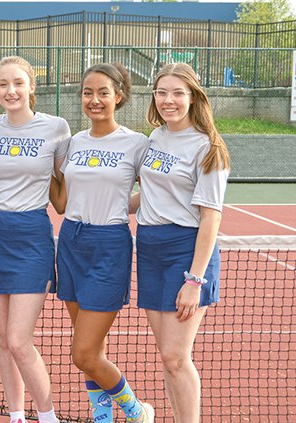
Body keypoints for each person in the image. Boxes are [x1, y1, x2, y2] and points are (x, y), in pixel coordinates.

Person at [50, 63, 154, 423]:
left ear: (119, 96)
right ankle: (102, 416)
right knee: (93, 346)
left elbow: (153, 187)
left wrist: (125, 205)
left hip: (109, 244)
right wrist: (42, 168)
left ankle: (136, 410)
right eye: (88, 93)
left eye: (103, 93)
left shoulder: (136, 143)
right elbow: (62, 203)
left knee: (83, 353)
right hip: (71, 241)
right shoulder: (72, 143)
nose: (94, 100)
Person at [0, 56, 70, 423]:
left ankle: (48, 417)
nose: (10, 91)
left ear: (32, 87)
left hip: (32, 239)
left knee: (18, 340)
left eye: (17, 83)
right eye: (2, 84)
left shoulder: (57, 128)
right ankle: (16, 416)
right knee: (2, 341)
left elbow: (62, 195)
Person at [135, 62, 230, 423]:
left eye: (177, 93)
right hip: (149, 249)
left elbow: (211, 218)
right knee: (167, 356)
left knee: (176, 356)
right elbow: (148, 195)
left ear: (193, 97)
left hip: (185, 253)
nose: (168, 100)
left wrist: (194, 280)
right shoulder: (156, 138)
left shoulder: (208, 149)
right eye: (161, 92)